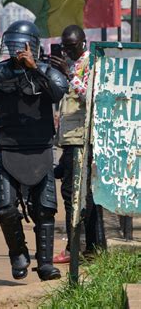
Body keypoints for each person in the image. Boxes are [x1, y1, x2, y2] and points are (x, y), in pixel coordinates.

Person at [0, 20, 68, 281]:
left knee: (45, 210)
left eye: (23, 47)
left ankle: (44, 264)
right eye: (14, 46)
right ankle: (18, 252)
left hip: (40, 149)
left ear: (34, 48)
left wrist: (35, 70)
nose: (18, 51)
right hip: (8, 150)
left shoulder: (46, 71)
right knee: (5, 208)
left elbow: (58, 92)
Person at [50, 25, 103, 263]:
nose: (67, 52)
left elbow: (91, 96)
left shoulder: (90, 63)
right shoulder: (72, 64)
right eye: (64, 47)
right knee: (86, 195)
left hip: (82, 138)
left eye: (71, 47)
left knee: (73, 194)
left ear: (83, 42)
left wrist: (69, 75)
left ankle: (74, 250)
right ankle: (93, 247)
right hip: (71, 138)